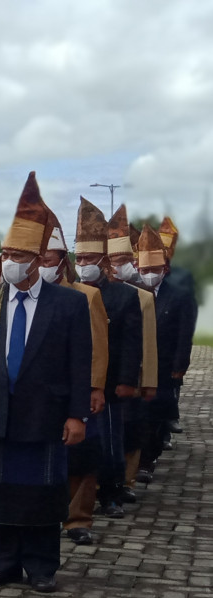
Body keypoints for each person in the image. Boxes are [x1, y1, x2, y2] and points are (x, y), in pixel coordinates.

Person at [0, 172, 92, 593]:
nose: (7, 261)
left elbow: (79, 362)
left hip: (46, 414)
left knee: (42, 491)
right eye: (4, 253)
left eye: (17, 253)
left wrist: (77, 414)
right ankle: (2, 563)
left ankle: (41, 567)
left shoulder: (69, 304)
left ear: (38, 258)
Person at [39, 211, 112, 546]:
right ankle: (44, 513)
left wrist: (95, 387)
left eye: (46, 258)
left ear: (60, 260)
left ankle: (78, 518)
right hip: (41, 392)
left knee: (82, 454)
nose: (39, 264)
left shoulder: (86, 295)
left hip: (77, 390)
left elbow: (97, 345)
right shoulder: (22, 296)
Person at [71, 198, 142, 529]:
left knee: (111, 441)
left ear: (103, 259)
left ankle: (111, 492)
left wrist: (127, 380)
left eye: (88, 258)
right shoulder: (68, 293)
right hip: (73, 380)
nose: (83, 263)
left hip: (110, 382)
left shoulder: (124, 296)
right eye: (79, 257)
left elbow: (130, 343)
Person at [136, 225, 197, 484]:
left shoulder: (180, 297)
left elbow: (185, 334)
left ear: (165, 269)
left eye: (153, 270)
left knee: (156, 415)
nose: (148, 275)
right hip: (135, 366)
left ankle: (148, 458)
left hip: (163, 366)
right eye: (144, 271)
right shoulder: (132, 293)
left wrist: (179, 366)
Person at [105, 206, 158, 504]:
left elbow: (147, 344)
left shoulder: (141, 295)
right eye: (112, 259)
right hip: (103, 376)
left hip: (130, 375)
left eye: (123, 260)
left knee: (131, 427)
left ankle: (127, 479)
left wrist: (146, 379)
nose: (117, 265)